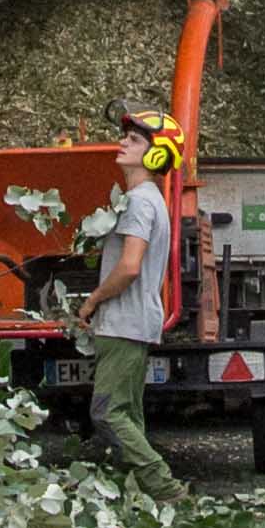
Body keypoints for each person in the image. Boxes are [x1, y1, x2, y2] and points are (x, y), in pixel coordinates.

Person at [79, 105, 184, 491]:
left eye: (134, 139)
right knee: (128, 415)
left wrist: (91, 302)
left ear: (156, 155)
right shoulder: (148, 200)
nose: (122, 142)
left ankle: (165, 488)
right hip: (135, 323)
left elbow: (129, 267)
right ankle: (140, 500)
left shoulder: (140, 201)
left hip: (123, 322)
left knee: (107, 412)